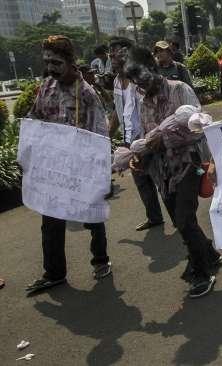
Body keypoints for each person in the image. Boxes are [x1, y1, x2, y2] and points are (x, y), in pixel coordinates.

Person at [124, 47, 222, 298]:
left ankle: (201, 274)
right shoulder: (141, 98)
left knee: (184, 219)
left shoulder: (180, 90)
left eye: (141, 77)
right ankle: (210, 254)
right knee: (180, 222)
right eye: (133, 80)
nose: (139, 84)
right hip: (161, 171)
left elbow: (199, 127)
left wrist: (162, 139)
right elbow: (143, 134)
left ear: (153, 66)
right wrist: (139, 154)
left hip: (188, 164)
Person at [25, 35, 111, 293]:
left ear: (71, 62)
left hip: (81, 170)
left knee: (91, 217)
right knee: (50, 221)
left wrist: (100, 170)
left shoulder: (86, 93)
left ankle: (100, 259)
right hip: (53, 169)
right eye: (47, 62)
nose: (50, 68)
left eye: (56, 63)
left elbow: (100, 133)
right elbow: (35, 116)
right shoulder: (46, 87)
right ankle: (54, 273)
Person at [109, 37, 164, 231]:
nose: (114, 57)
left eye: (118, 52)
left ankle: (180, 218)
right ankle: (154, 217)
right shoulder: (116, 81)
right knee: (141, 179)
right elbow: (117, 110)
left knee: (161, 178)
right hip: (130, 139)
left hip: (149, 135)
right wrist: (110, 134)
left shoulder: (141, 76)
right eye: (111, 54)